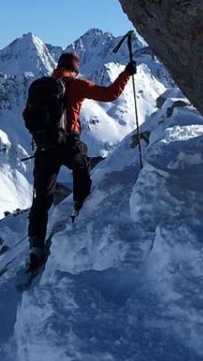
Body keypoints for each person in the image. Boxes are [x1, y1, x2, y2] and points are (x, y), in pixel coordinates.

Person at [25, 50, 135, 272]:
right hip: (68, 145)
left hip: (44, 149)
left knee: (42, 199)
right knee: (82, 167)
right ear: (75, 68)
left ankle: (35, 246)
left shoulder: (40, 86)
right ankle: (80, 207)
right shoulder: (77, 85)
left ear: (58, 66)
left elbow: (26, 116)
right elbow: (110, 94)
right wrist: (126, 74)